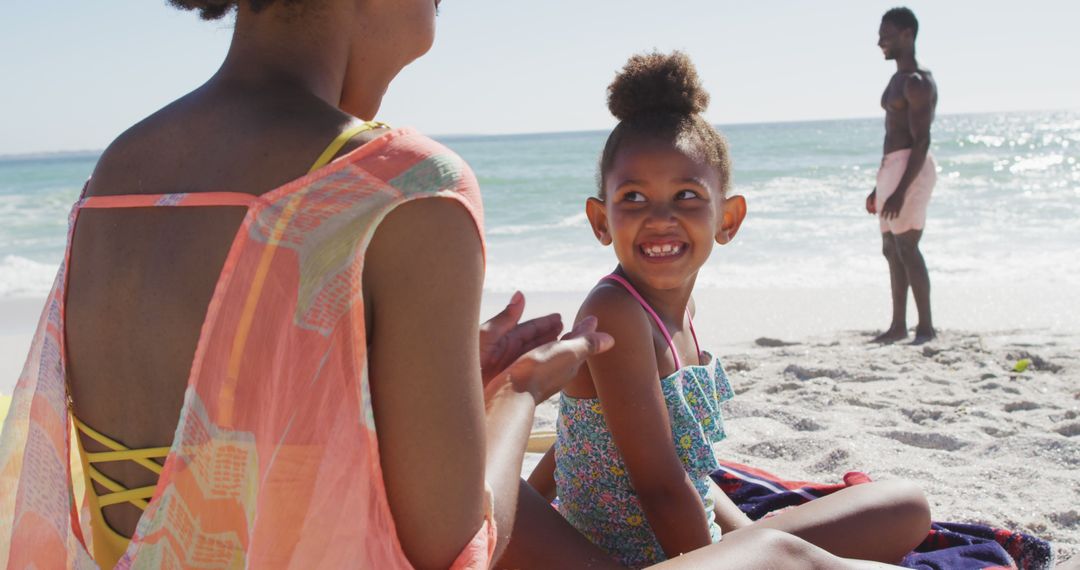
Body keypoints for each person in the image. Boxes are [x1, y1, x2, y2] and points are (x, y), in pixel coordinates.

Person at [0, 1, 613, 568]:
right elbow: (451, 551)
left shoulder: (118, 170)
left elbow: (221, 439)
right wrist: (523, 392)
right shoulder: (404, 184)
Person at [524, 51, 930, 569]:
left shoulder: (679, 308)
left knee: (904, 505)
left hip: (698, 538)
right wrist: (739, 554)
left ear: (728, 219)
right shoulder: (615, 310)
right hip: (641, 558)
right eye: (633, 197)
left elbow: (665, 461)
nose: (661, 217)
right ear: (601, 221)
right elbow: (660, 486)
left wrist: (745, 538)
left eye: (687, 195)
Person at [866, 6, 939, 345]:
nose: (880, 40)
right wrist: (878, 187)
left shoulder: (917, 82)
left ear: (907, 34)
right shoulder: (895, 80)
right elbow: (891, 137)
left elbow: (921, 141)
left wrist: (899, 191)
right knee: (890, 247)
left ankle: (925, 328)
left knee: (907, 246)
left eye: (887, 34)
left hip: (912, 167)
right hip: (892, 168)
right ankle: (898, 326)